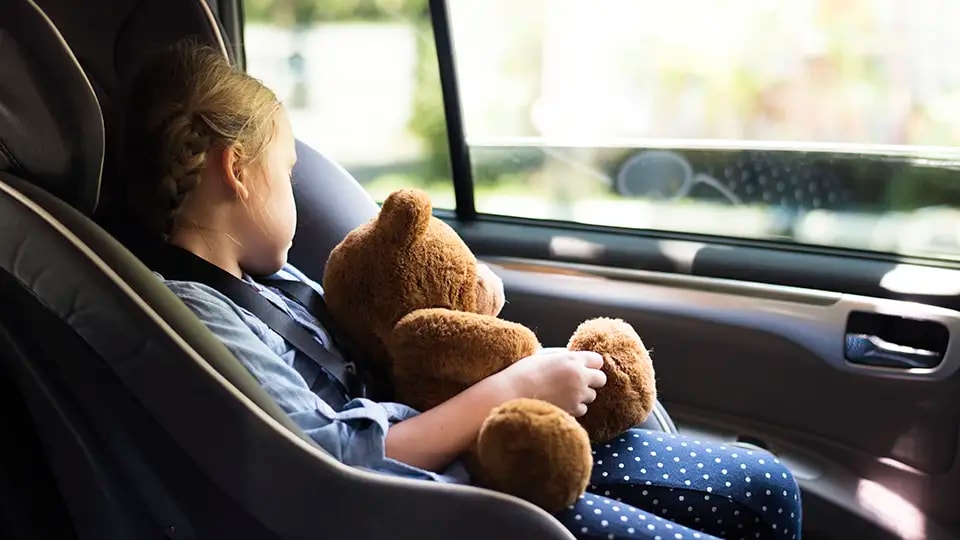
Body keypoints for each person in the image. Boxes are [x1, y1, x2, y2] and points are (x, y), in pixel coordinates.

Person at [118, 40, 803, 540]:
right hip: (436, 499)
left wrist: (463, 305)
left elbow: (381, 338)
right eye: (287, 172)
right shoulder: (195, 313)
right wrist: (513, 388)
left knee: (768, 485)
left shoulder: (268, 278)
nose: (295, 192)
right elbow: (331, 458)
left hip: (472, 449)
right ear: (237, 170)